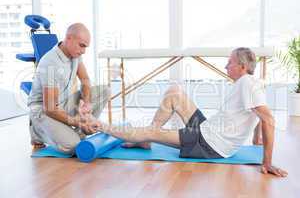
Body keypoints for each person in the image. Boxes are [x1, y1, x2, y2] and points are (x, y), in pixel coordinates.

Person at [93, 47, 287, 177]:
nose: (226, 66)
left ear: (242, 67)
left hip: (209, 144)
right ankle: (146, 141)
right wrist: (255, 140)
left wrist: (267, 162)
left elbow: (268, 119)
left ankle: (100, 125)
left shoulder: (247, 83)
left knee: (150, 130)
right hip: (207, 130)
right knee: (174, 93)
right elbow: (258, 115)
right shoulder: (249, 83)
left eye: (230, 62)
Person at [28, 23, 110, 154]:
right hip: (45, 109)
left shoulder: (75, 55)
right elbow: (50, 108)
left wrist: (86, 103)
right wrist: (77, 122)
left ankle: (79, 129)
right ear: (69, 38)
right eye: (82, 45)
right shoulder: (51, 63)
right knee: (73, 146)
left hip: (63, 103)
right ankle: (37, 131)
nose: (83, 51)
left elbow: (85, 80)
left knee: (105, 90)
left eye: (86, 47)